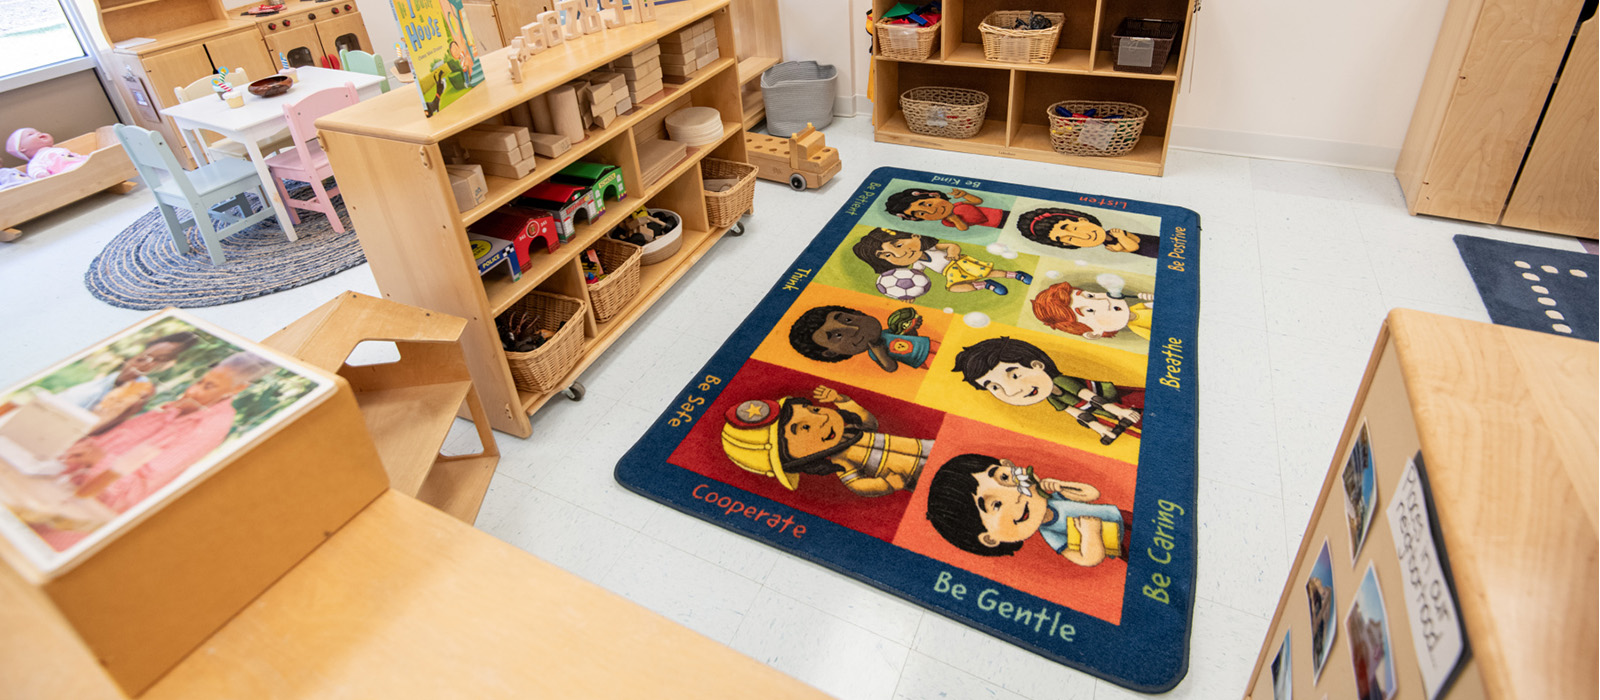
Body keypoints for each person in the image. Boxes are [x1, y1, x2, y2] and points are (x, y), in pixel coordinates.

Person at [62, 352, 275, 515]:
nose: (191, 391)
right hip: (63, 487)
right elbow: (104, 444)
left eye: (208, 386)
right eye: (199, 381)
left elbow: (135, 491)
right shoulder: (175, 407)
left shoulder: (211, 427)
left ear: (237, 389)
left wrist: (98, 460)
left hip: (87, 513)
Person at [719, 386, 933, 497]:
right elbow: (857, 485)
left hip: (926, 446)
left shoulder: (852, 432)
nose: (822, 418)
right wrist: (885, 485)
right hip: (915, 475)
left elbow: (870, 423)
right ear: (797, 461)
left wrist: (843, 401)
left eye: (813, 410)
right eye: (803, 428)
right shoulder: (842, 461)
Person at [924, 453, 1127, 566]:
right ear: (990, 538)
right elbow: (1089, 558)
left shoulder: (1053, 497)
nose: (1015, 493)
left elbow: (1092, 494)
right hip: (1122, 543)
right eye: (996, 505)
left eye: (1004, 477)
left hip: (1124, 516)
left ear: (1007, 464)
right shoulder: (1051, 534)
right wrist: (1091, 533)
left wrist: (1061, 486)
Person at [951, 337, 1142, 445]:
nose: (1011, 392)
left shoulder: (1060, 381)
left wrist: (1119, 411)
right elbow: (1075, 412)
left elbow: (1091, 397)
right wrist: (1101, 429)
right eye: (994, 387)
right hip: (1105, 415)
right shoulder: (1050, 396)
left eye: (1015, 376)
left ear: (1037, 365)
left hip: (1119, 399)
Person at [56, 332, 200, 432]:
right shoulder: (110, 378)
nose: (142, 364)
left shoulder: (140, 389)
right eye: (142, 358)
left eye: (158, 360)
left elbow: (93, 426)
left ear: (168, 365)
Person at [852, 227, 1031, 296]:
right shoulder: (918, 264)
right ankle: (986, 285)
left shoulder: (930, 248)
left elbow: (951, 246)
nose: (898, 255)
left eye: (898, 245)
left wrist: (953, 250)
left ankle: (1016, 275)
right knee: (954, 287)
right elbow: (917, 277)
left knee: (989, 271)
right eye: (887, 255)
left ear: (915, 235)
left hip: (961, 263)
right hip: (949, 273)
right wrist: (909, 293)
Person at [788, 305, 936, 372]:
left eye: (847, 320)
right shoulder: (874, 352)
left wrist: (911, 327)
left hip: (930, 344)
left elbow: (908, 336)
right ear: (832, 353)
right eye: (838, 336)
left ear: (857, 313)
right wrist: (880, 353)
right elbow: (891, 367)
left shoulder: (885, 332)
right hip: (923, 360)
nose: (855, 329)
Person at [1030, 282, 1153, 340]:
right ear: (1094, 333)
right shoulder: (1137, 328)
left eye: (1090, 296)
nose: (1104, 302)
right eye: (1089, 310)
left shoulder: (1137, 307)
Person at [1015, 208, 1158, 257]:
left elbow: (1134, 247)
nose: (1083, 236)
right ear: (1065, 244)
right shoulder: (1107, 243)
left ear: (1082, 220)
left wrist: (1121, 239)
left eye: (1074, 229)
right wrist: (1120, 248)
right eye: (1069, 239)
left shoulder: (1116, 233)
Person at [883, 187, 1009, 231]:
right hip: (997, 224)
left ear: (935, 195)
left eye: (927, 205)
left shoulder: (959, 205)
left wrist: (965, 194)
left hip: (1003, 213)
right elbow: (964, 228)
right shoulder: (947, 221)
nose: (932, 212)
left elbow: (978, 201)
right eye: (922, 213)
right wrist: (955, 220)